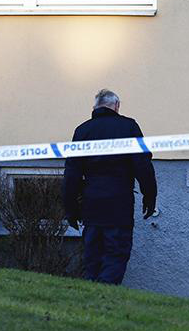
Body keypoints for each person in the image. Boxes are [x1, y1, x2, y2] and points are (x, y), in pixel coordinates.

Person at [63, 89, 157, 285]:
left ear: (95, 107)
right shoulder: (129, 127)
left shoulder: (82, 131)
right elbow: (143, 165)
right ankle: (105, 298)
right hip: (119, 203)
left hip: (91, 204)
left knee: (92, 258)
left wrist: (70, 209)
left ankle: (90, 298)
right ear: (117, 106)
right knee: (115, 256)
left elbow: (72, 173)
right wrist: (150, 196)